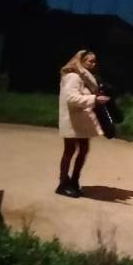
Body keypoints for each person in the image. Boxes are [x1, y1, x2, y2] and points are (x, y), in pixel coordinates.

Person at [56, 50, 109, 198]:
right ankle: (62, 183)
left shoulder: (85, 78)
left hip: (82, 120)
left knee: (84, 149)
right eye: (89, 61)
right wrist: (94, 100)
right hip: (73, 120)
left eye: (94, 61)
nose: (93, 64)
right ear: (81, 61)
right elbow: (72, 98)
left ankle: (74, 180)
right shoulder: (73, 77)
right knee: (70, 151)